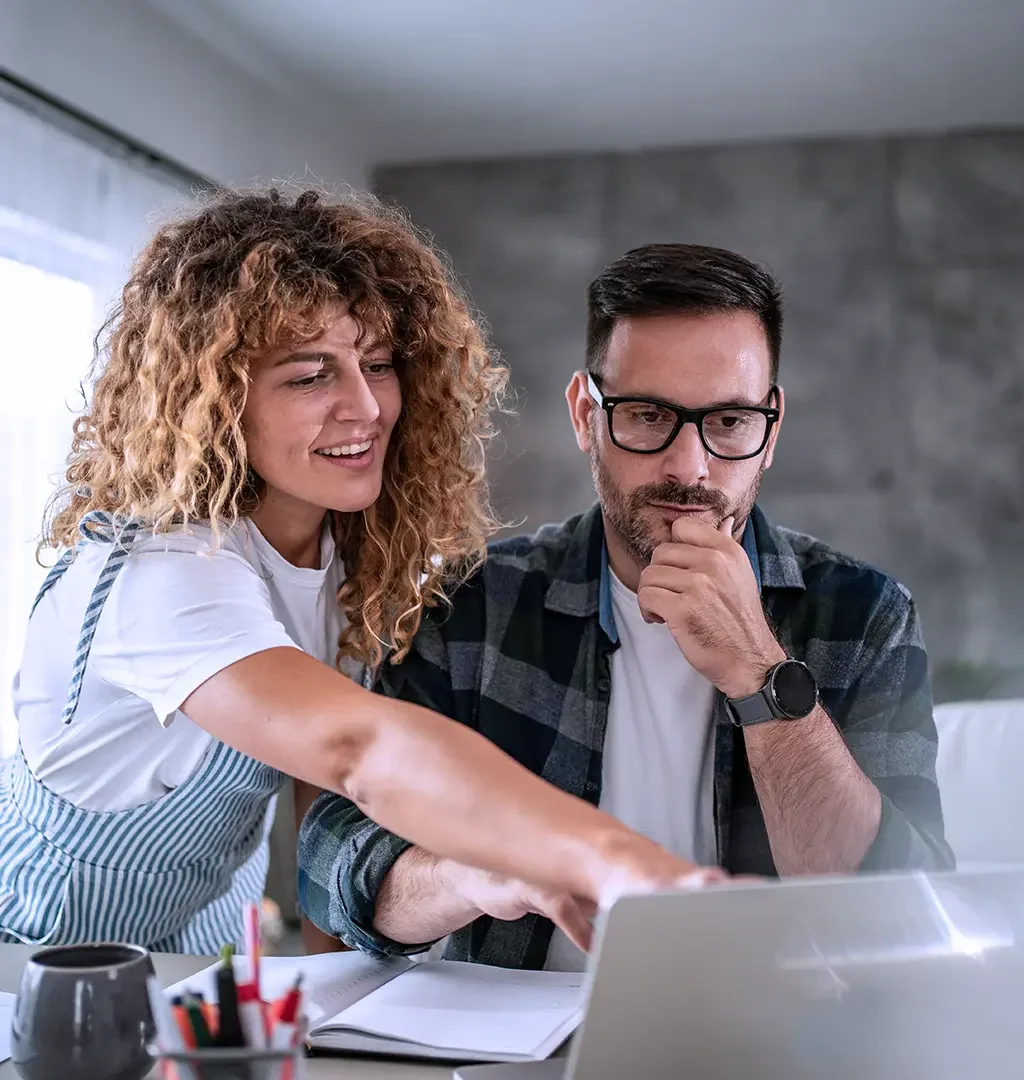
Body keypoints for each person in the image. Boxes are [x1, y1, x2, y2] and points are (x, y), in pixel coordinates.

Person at [0, 191, 720, 954]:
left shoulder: (353, 564)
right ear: (213, 403)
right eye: (310, 376)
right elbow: (360, 750)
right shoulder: (166, 572)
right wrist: (604, 854)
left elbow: (329, 813)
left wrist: (335, 1026)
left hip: (196, 951)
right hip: (27, 957)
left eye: (377, 365)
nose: (367, 406)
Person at [298, 242, 955, 971]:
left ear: (771, 428)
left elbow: (903, 914)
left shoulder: (864, 616)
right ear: (586, 415)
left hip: (780, 1043)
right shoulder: (472, 607)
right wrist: (472, 872)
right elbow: (329, 862)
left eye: (730, 422)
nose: (690, 466)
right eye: (647, 416)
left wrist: (762, 675)